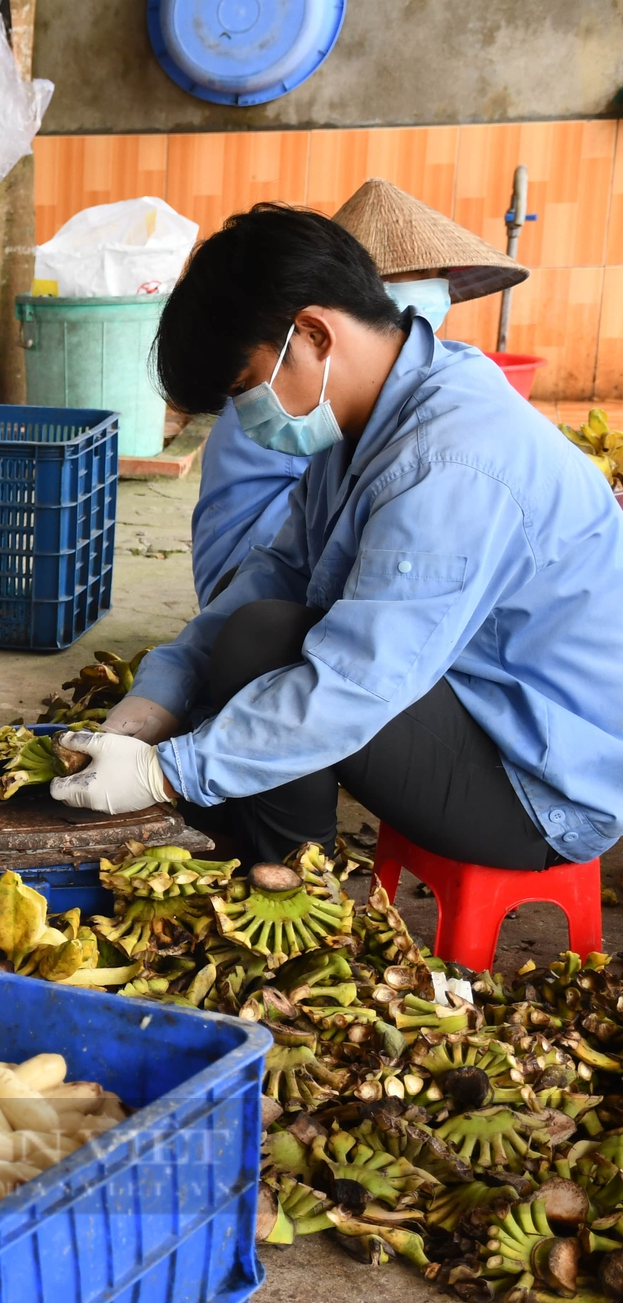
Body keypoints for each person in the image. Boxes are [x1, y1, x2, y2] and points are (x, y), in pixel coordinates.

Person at [49, 204, 623, 878]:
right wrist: (162, 692)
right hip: (470, 705)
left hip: (542, 786)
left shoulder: (452, 462)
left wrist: (166, 773)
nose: (245, 415)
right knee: (258, 629)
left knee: (271, 645)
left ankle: (296, 893)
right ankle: (246, 851)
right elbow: (279, 573)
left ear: (315, 333)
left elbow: (356, 682)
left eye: (244, 388)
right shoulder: (365, 423)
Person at [189, 179, 529, 606]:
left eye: (437, 276)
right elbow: (287, 562)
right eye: (418, 274)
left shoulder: (393, 408)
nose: (433, 288)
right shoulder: (293, 402)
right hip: (245, 570)